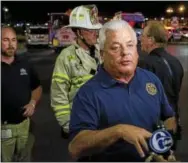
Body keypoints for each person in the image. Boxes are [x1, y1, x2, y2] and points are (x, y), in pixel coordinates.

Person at [68, 20, 177, 162]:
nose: (125, 52)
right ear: (102, 55)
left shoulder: (151, 80)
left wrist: (165, 148)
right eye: (115, 47)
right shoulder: (88, 93)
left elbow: (168, 116)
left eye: (130, 45)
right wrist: (119, 131)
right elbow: (75, 148)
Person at [50, 4, 102, 137]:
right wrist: (68, 125)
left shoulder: (101, 52)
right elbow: (58, 95)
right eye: (90, 30)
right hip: (81, 123)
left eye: (96, 30)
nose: (95, 33)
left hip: (103, 121)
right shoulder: (66, 57)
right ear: (78, 32)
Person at [138, 20, 184, 148]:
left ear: (151, 40)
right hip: (173, 124)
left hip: (153, 129)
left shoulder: (145, 64)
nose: (140, 39)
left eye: (143, 35)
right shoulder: (176, 62)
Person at [1, 26, 42, 162]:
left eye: (13, 40)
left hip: (25, 126)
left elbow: (37, 87)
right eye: (6, 40)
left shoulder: (25, 64)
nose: (11, 44)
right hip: (3, 128)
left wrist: (32, 103)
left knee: (25, 158)